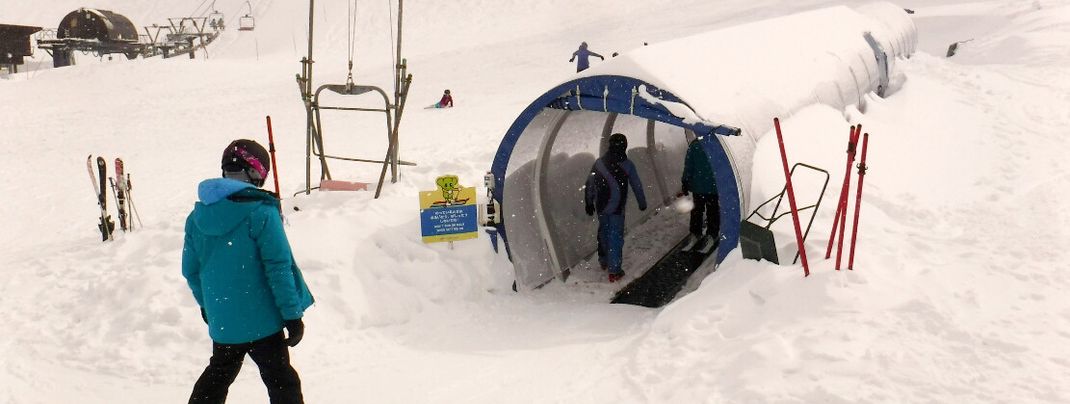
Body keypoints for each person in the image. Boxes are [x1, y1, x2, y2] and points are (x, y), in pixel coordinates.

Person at [182, 139, 314, 404]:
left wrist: (208, 306)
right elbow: (279, 268)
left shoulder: (196, 218)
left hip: (224, 321)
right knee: (281, 381)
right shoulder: (261, 212)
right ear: (255, 173)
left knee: (218, 375)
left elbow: (191, 272)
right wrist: (292, 315)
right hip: (262, 322)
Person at [585, 133, 647, 282]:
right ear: (625, 146)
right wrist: (642, 203)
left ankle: (604, 260)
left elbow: (590, 183)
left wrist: (588, 202)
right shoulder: (628, 165)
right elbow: (636, 185)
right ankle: (614, 270)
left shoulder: (599, 163)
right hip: (617, 208)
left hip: (601, 206)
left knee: (604, 232)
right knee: (615, 237)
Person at [680, 138, 720, 252]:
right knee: (712, 211)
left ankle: (695, 233)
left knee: (697, 211)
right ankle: (712, 235)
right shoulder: (717, 145)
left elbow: (689, 167)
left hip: (698, 187)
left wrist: (685, 182)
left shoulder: (694, 146)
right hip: (713, 187)